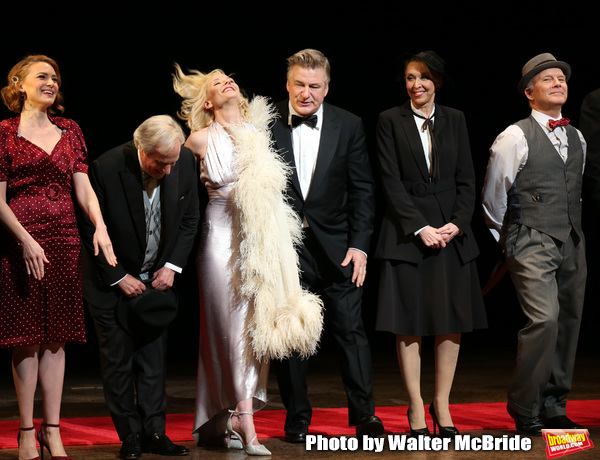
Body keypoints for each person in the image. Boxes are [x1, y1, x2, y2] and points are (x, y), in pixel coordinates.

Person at [172, 64, 322, 456]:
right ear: (208, 100)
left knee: (253, 330)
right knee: (224, 327)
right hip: (218, 239)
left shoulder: (260, 135)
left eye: (230, 79)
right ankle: (238, 418)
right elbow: (180, 198)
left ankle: (235, 414)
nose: (228, 83)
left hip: (259, 242)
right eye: (218, 83)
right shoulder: (198, 140)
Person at [0, 54, 116, 460]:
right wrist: (25, 239)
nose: (51, 82)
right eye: (42, 76)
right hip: (22, 245)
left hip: (66, 241)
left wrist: (99, 225)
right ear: (19, 83)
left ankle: (53, 430)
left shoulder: (71, 129)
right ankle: (27, 432)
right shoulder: (4, 132)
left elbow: (83, 188)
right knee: (26, 339)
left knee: (56, 339)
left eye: (55, 78)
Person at [270, 48, 383, 442]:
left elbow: (363, 190)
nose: (306, 93)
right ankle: (297, 417)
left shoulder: (348, 124)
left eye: (314, 86)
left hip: (339, 249)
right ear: (287, 84)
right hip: (286, 248)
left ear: (327, 86)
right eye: (299, 85)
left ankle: (365, 414)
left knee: (351, 330)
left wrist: (361, 246)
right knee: (291, 335)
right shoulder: (265, 123)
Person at [373, 51, 486, 438]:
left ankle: (442, 403)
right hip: (408, 235)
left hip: (452, 233)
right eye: (409, 78)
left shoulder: (455, 119)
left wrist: (457, 223)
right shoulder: (390, 120)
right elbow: (389, 181)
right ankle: (416, 407)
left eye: (423, 77)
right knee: (410, 324)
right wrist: (420, 227)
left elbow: (468, 178)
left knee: (449, 322)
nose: (416, 85)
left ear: (437, 81)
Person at [79, 115, 199, 458]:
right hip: (110, 281)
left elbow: (190, 217)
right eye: (160, 163)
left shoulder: (184, 160)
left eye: (173, 162)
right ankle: (130, 436)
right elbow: (90, 230)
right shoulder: (106, 168)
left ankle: (155, 434)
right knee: (118, 362)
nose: (168, 170)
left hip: (156, 280)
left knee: (153, 361)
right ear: (140, 148)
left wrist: (172, 266)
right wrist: (117, 277)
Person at [481, 53, 586, 436]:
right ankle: (525, 408)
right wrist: (507, 240)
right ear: (530, 92)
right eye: (548, 80)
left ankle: (554, 405)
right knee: (545, 319)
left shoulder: (578, 137)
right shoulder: (515, 135)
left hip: (572, 239)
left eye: (562, 78)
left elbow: (572, 188)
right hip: (530, 237)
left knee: (569, 322)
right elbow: (494, 197)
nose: (559, 83)